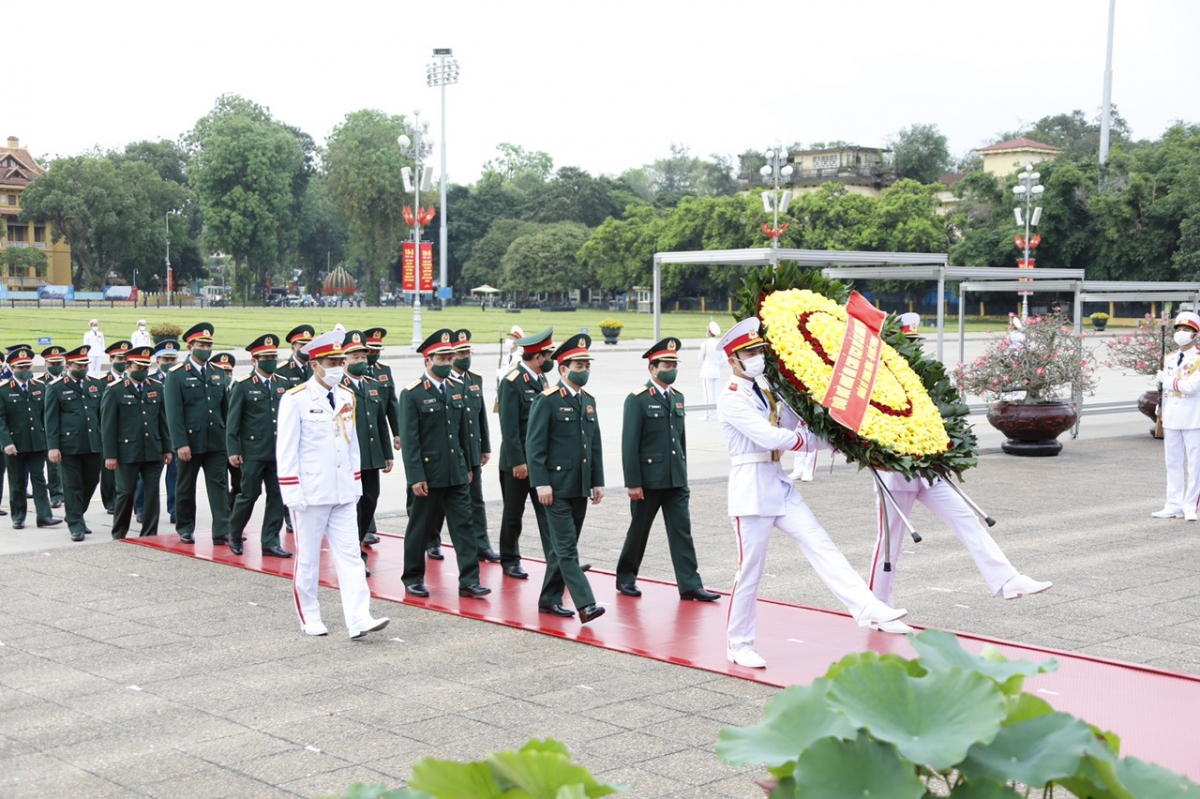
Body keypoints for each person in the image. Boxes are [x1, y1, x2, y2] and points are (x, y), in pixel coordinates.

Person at [717, 318, 909, 670]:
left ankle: (867, 607)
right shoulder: (730, 398)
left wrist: (839, 438)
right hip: (751, 491)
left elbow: (793, 424)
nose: (758, 357)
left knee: (822, 545)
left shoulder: (765, 389)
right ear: (732, 360)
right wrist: (809, 442)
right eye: (750, 353)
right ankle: (738, 644)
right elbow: (772, 438)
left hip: (778, 483)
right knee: (750, 572)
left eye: (759, 350)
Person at [869, 314, 1052, 607]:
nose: (912, 349)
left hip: (928, 471)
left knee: (967, 519)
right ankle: (878, 603)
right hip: (896, 473)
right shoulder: (878, 381)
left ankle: (1006, 579)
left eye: (915, 343)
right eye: (906, 343)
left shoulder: (923, 377)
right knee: (890, 542)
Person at [276, 330, 389, 639]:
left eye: (341, 360)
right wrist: (291, 492)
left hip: (342, 491)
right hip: (310, 492)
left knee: (351, 555)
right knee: (309, 558)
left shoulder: (346, 396)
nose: (339, 366)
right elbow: (285, 450)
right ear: (315, 364)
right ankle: (309, 615)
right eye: (332, 361)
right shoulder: (295, 399)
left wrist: (355, 486)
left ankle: (359, 617)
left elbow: (351, 445)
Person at [616, 337, 719, 602]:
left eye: (675, 363)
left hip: (675, 479)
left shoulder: (678, 397)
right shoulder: (637, 399)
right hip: (648, 481)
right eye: (667, 363)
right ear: (653, 368)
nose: (672, 368)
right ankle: (626, 577)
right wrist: (633, 482)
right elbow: (630, 444)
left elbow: (680, 440)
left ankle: (690, 585)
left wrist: (682, 473)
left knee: (682, 532)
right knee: (639, 530)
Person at [398, 329, 490, 600]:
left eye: (450, 358)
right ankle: (413, 577)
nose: (448, 363)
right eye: (442, 358)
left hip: (457, 472)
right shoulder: (412, 394)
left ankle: (470, 581)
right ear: (427, 360)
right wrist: (415, 477)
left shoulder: (457, 388)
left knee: (464, 526)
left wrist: (470, 466)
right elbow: (410, 440)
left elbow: (463, 433)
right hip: (429, 474)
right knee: (420, 528)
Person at [527, 333, 605, 623]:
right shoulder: (546, 401)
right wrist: (541, 483)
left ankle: (548, 599)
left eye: (587, 365)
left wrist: (597, 481)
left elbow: (594, 445)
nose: (584, 370)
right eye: (579, 365)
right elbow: (535, 446)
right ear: (562, 368)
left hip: (579, 486)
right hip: (556, 488)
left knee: (562, 549)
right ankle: (586, 604)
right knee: (568, 549)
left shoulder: (588, 401)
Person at [423, 329, 499, 562]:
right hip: (449, 453)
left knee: (476, 499)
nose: (466, 356)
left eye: (468, 352)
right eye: (461, 352)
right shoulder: (444, 382)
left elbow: (480, 415)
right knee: (439, 504)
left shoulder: (474, 379)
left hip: (472, 451)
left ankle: (481, 543)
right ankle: (432, 541)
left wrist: (484, 445)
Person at [495, 327, 556, 580]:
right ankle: (510, 559)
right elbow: (509, 428)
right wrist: (518, 462)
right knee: (513, 514)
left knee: (548, 513)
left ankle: (557, 559)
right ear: (538, 357)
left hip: (539, 461)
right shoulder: (512, 382)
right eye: (548, 355)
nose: (551, 360)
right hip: (517, 463)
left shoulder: (540, 379)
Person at [164, 322, 230, 546]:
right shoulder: (177, 375)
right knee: (185, 486)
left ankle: (222, 529)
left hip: (216, 441)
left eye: (209, 344)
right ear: (190, 346)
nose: (206, 348)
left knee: (219, 485)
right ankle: (185, 527)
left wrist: (228, 438)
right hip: (190, 442)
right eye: (202, 344)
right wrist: (180, 443)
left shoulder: (218, 373)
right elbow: (174, 414)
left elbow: (225, 410)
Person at [226, 334, 291, 558]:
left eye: (274, 356)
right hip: (252, 452)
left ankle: (270, 541)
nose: (271, 361)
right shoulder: (243, 385)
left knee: (277, 496)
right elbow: (233, 421)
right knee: (249, 495)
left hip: (277, 452)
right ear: (255, 360)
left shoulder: (283, 384)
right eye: (266, 357)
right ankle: (234, 533)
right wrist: (233, 450)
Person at [101, 347, 171, 539]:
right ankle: (120, 531)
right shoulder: (115, 390)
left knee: (152, 493)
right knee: (125, 493)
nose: (143, 370)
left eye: (146, 366)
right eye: (139, 366)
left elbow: (163, 421)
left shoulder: (156, 387)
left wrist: (167, 448)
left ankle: (149, 532)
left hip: (153, 449)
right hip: (127, 451)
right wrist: (111, 455)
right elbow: (108, 427)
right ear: (128, 366)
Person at [340, 331, 392, 573]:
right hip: (349, 460)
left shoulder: (373, 385)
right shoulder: (338, 388)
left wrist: (387, 453)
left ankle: (357, 542)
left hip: (371, 456)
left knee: (371, 500)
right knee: (353, 506)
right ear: (344, 360)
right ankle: (353, 553)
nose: (361, 360)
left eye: (363, 356)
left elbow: (381, 422)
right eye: (355, 357)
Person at [44, 346, 103, 542]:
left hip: (93, 443)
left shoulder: (95, 384)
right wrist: (53, 447)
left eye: (86, 364)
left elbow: (101, 415)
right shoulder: (56, 387)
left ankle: (75, 514)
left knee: (91, 481)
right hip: (68, 445)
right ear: (69, 365)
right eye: (79, 364)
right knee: (71, 486)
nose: (84, 367)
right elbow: (51, 419)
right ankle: (76, 524)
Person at [0, 346, 62, 530]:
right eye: (21, 367)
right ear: (12, 368)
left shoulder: (41, 387)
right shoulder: (3, 390)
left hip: (37, 442)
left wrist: (49, 441)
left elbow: (47, 416)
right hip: (15, 444)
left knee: (39, 480)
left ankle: (44, 516)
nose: (26, 370)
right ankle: (18, 516)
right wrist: (6, 443)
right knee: (17, 481)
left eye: (28, 366)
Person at [1153, 311, 1200, 521]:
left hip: (1193, 417)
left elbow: (1191, 387)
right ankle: (1173, 503)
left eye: (1186, 330)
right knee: (1172, 462)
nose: (1181, 333)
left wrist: (1168, 381)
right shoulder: (1170, 358)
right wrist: (1160, 409)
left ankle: (1190, 506)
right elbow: (1164, 390)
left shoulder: (1198, 359)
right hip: (1171, 416)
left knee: (1194, 464)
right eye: (1179, 329)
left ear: (1195, 334)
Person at [360, 327, 401, 546]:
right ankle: (365, 529)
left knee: (371, 492)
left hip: (377, 434)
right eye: (370, 350)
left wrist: (397, 432)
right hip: (359, 439)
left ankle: (366, 528)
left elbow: (391, 405)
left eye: (377, 349)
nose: (374, 354)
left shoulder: (384, 371)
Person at [137, 340, 180, 525]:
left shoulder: (180, 378)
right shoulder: (151, 381)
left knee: (175, 475)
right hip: (154, 435)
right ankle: (141, 508)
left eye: (172, 358)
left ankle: (174, 509)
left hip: (175, 434)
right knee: (147, 476)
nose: (169, 362)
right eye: (165, 359)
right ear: (157, 360)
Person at [98, 340, 132, 514]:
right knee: (109, 470)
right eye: (119, 357)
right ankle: (110, 500)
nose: (122, 361)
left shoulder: (131, 380)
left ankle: (125, 498)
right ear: (111, 359)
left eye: (125, 358)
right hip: (110, 430)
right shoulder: (102, 382)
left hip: (129, 432)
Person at [210, 352, 241, 507]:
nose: (226, 375)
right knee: (220, 483)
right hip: (218, 444)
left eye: (229, 372)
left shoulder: (237, 389)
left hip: (235, 445)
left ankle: (232, 510)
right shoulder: (210, 392)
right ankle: (225, 517)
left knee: (240, 483)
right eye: (222, 372)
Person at [39, 346, 67, 509]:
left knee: (61, 465)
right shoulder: (40, 382)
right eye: (52, 362)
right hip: (44, 428)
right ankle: (54, 493)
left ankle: (61, 493)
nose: (56, 365)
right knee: (50, 465)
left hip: (63, 429)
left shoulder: (66, 381)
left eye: (59, 362)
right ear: (45, 364)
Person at [698, 319, 724, 421]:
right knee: (715, 392)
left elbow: (700, 358)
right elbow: (724, 359)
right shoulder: (719, 344)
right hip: (716, 370)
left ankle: (709, 415)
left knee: (708, 393)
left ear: (709, 332)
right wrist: (718, 365)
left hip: (707, 370)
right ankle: (715, 413)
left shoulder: (705, 344)